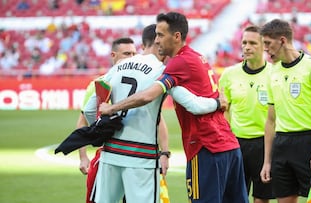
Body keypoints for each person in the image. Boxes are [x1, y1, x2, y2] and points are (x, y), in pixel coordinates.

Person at [98, 12, 249, 203]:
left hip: (205, 147)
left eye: (161, 35)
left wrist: (112, 108)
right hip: (229, 146)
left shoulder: (178, 62)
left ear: (176, 36)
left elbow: (148, 95)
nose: (157, 40)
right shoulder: (197, 57)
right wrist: (217, 103)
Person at [259, 19, 311, 203]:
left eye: (268, 43)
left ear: (282, 40)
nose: (265, 49)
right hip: (281, 144)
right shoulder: (272, 72)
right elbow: (270, 121)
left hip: (308, 143)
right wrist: (267, 161)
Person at [218, 25, 274, 203]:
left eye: (252, 43)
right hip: (236, 145)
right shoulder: (228, 75)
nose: (247, 47)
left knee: (262, 198)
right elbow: (223, 112)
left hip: (265, 145)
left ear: (264, 45)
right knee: (233, 198)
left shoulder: (275, 74)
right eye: (244, 43)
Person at [77, 37, 137, 203]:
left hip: (136, 156)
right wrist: (83, 157)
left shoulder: (142, 82)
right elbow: (82, 121)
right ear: (113, 55)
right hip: (108, 155)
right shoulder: (99, 85)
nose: (131, 57)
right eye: (126, 53)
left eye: (134, 53)